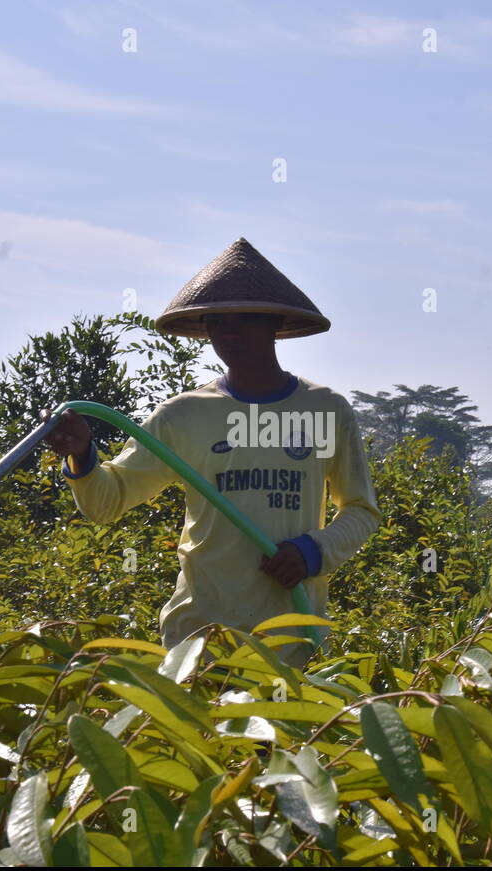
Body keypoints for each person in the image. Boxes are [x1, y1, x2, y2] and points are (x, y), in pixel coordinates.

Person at [45, 237, 381, 666]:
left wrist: (312, 551)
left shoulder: (326, 410)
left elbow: (361, 511)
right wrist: (81, 455)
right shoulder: (184, 416)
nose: (230, 332)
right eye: (218, 322)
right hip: (198, 641)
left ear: (274, 323)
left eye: (244, 319)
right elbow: (107, 502)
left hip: (291, 638)